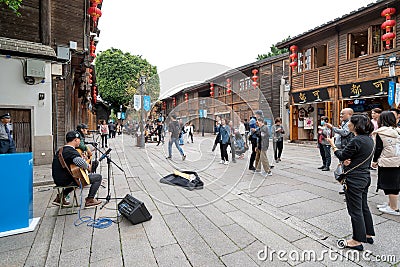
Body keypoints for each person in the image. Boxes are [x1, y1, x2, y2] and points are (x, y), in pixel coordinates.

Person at [327, 114, 375, 251]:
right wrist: (348, 159)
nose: (348, 124)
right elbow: (356, 156)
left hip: (354, 179)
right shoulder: (368, 139)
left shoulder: (356, 140)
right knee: (363, 206)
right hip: (365, 177)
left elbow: (342, 155)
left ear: (356, 125)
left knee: (355, 210)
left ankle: (356, 240)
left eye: (350, 122)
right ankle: (367, 234)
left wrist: (332, 145)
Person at [52, 131, 102, 208]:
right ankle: (90, 199)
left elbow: (72, 163)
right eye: (79, 140)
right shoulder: (71, 151)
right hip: (66, 180)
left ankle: (60, 197)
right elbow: (81, 163)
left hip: (59, 179)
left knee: (76, 178)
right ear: (75, 140)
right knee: (98, 177)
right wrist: (88, 166)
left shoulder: (61, 149)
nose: (80, 142)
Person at [371, 111, 400, 216]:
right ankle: (390, 204)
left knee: (390, 185)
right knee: (393, 183)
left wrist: (374, 161)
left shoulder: (381, 132)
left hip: (387, 162)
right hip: (397, 161)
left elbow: (378, 149)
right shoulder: (397, 131)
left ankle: (394, 208)